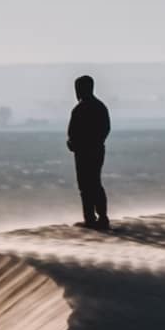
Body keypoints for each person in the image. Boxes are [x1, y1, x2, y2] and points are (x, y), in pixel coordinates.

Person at [67, 75, 111, 230]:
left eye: (78, 88)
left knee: (90, 184)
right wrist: (72, 143)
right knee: (88, 185)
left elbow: (104, 130)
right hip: (87, 151)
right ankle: (92, 218)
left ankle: (98, 218)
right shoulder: (94, 107)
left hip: (89, 151)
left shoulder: (88, 108)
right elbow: (72, 132)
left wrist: (87, 144)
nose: (77, 92)